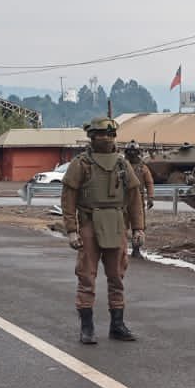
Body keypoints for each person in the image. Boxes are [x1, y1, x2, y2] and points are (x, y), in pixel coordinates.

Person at [61, 117, 145, 344]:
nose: (106, 139)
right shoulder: (81, 164)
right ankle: (87, 327)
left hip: (117, 224)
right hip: (89, 223)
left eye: (110, 135)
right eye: (100, 134)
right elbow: (68, 198)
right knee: (86, 277)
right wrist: (72, 230)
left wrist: (138, 228)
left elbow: (134, 198)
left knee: (117, 276)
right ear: (91, 137)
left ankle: (117, 325)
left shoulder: (122, 164)